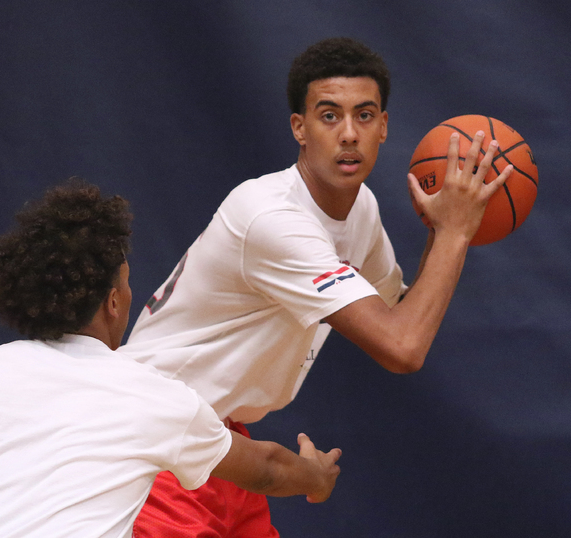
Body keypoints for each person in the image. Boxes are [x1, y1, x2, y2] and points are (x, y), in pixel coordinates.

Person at [122, 37, 513, 536]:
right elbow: (403, 347)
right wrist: (455, 233)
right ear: (299, 129)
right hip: (155, 441)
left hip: (222, 441)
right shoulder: (274, 218)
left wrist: (443, 232)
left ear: (385, 127)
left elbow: (402, 314)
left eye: (365, 115)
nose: (349, 134)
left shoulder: (360, 208)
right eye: (329, 116)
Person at [0, 180, 341, 538]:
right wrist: (316, 476)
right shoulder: (154, 396)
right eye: (124, 283)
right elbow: (266, 470)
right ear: (112, 302)